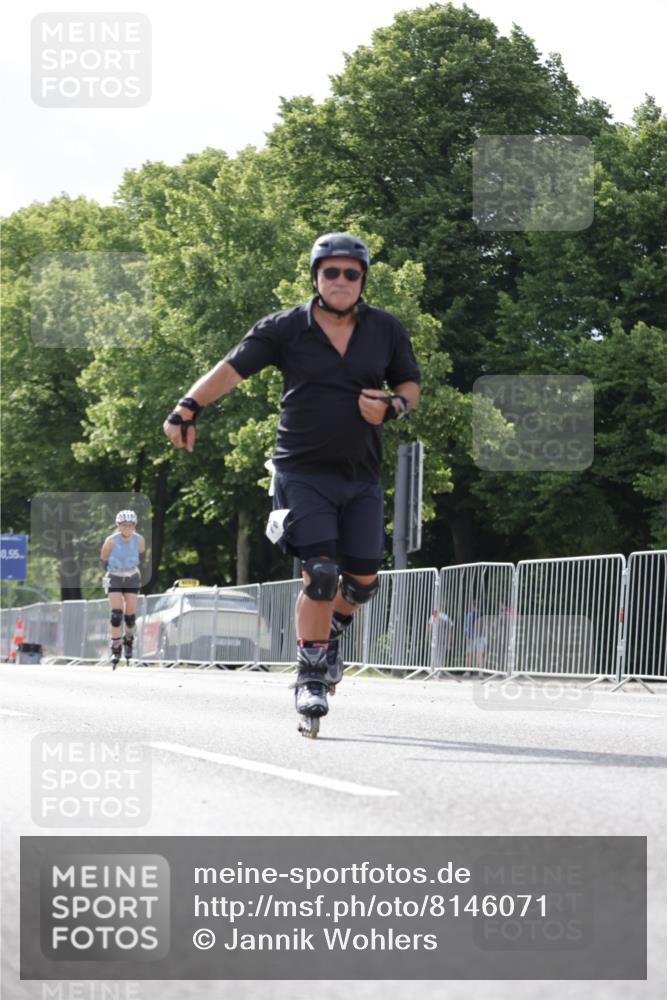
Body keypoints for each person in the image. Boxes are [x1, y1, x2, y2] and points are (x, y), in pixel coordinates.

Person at [163, 232, 421, 733]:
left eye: (351, 273)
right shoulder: (285, 328)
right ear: (316, 277)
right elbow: (231, 369)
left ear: (362, 280)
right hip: (301, 471)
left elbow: (409, 383)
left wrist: (395, 406)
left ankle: (331, 635)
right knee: (321, 573)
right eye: (332, 272)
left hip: (362, 476)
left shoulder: (385, 329)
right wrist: (186, 407)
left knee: (363, 582)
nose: (341, 280)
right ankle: (311, 677)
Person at [100, 510, 145, 669]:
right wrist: (114, 571)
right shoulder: (111, 541)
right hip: (114, 576)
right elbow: (103, 559)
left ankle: (129, 641)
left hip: (132, 576)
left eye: (130, 525)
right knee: (116, 615)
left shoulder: (139, 540)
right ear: (118, 526)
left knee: (130, 617)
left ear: (134, 526)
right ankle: (116, 647)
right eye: (124, 525)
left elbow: (140, 556)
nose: (127, 528)